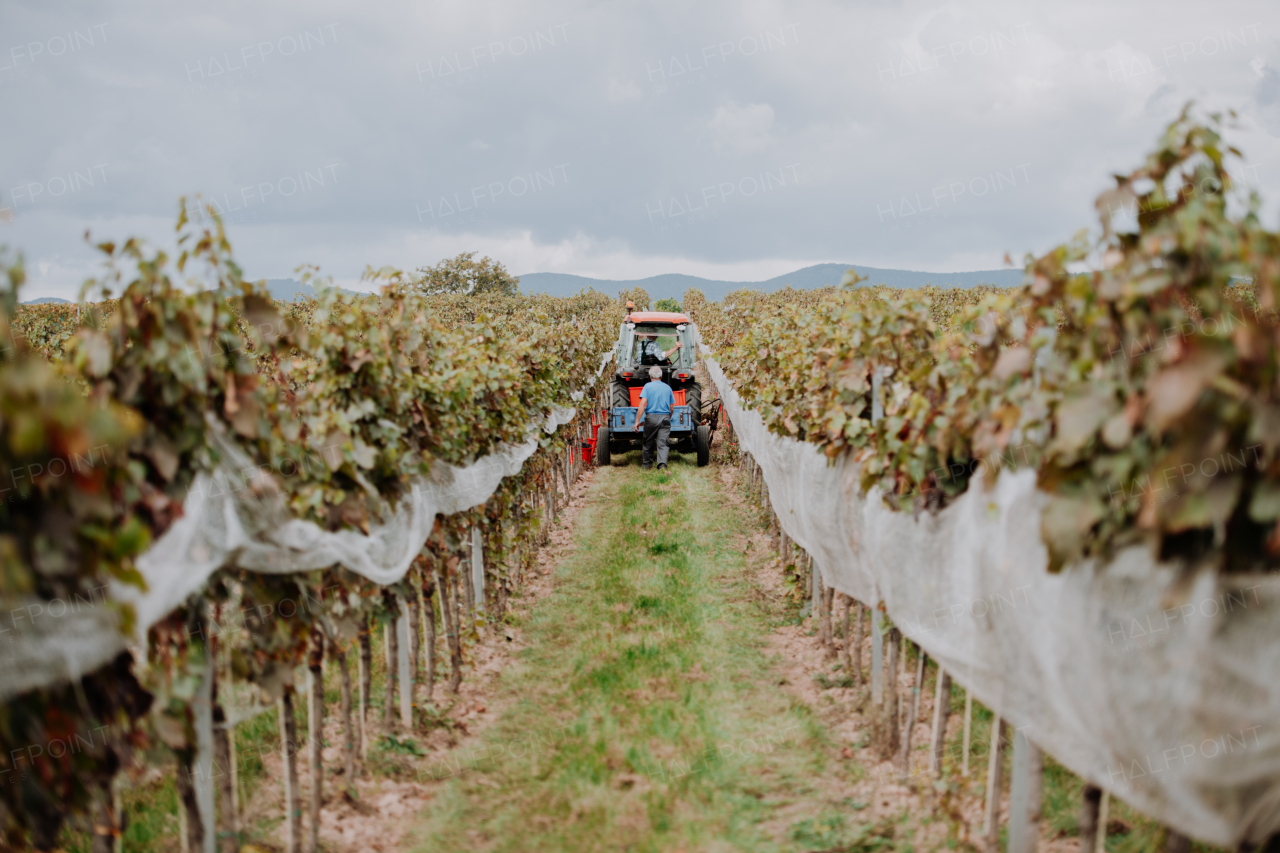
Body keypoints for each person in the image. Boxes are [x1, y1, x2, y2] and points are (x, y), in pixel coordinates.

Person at [633, 365, 674, 470]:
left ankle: (647, 465)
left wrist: (637, 421)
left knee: (648, 442)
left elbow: (643, 404)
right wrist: (668, 417)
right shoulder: (668, 388)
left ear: (650, 376)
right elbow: (671, 407)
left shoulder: (647, 386)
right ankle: (662, 465)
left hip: (651, 418)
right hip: (665, 418)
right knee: (663, 443)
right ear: (661, 375)